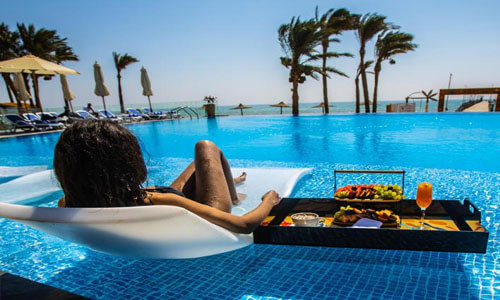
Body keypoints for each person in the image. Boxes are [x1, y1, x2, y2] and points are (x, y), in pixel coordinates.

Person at [54, 120, 280, 234]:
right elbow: (244, 225)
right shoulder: (161, 201)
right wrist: (269, 199)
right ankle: (234, 196)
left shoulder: (67, 204)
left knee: (197, 163)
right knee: (206, 147)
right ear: (126, 164)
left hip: (161, 199)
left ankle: (232, 181)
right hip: (211, 209)